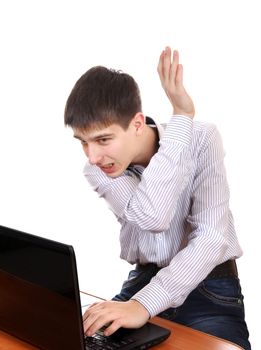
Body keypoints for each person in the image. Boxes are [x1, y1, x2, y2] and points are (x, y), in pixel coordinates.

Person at [64, 46, 251, 349]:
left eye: (103, 139)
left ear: (137, 124)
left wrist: (182, 121)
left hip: (210, 287)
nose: (93, 156)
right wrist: (139, 302)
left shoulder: (202, 138)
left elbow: (210, 237)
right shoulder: (99, 168)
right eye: (83, 142)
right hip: (143, 282)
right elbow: (154, 215)